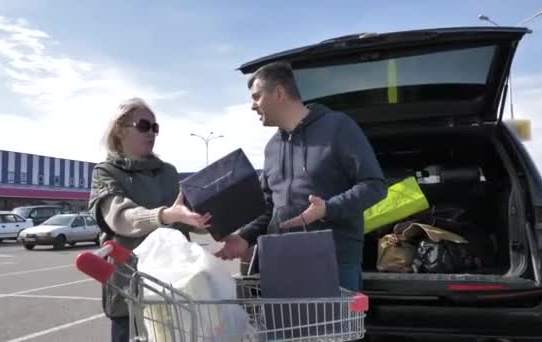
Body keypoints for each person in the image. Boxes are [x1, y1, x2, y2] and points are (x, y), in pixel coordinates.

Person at [215, 62, 387, 291]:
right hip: (281, 261)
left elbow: (375, 185)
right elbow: (268, 208)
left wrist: (328, 208)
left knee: (334, 328)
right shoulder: (271, 148)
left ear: (278, 92)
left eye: (256, 97)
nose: (252, 106)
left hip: (334, 261)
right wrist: (244, 238)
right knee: (281, 328)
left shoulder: (338, 127)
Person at [88, 98, 211, 342]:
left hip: (176, 285)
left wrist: (204, 221)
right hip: (130, 287)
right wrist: (165, 215)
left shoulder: (169, 172)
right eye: (144, 126)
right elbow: (120, 217)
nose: (152, 133)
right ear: (120, 129)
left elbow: (184, 219)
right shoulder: (106, 172)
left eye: (156, 127)